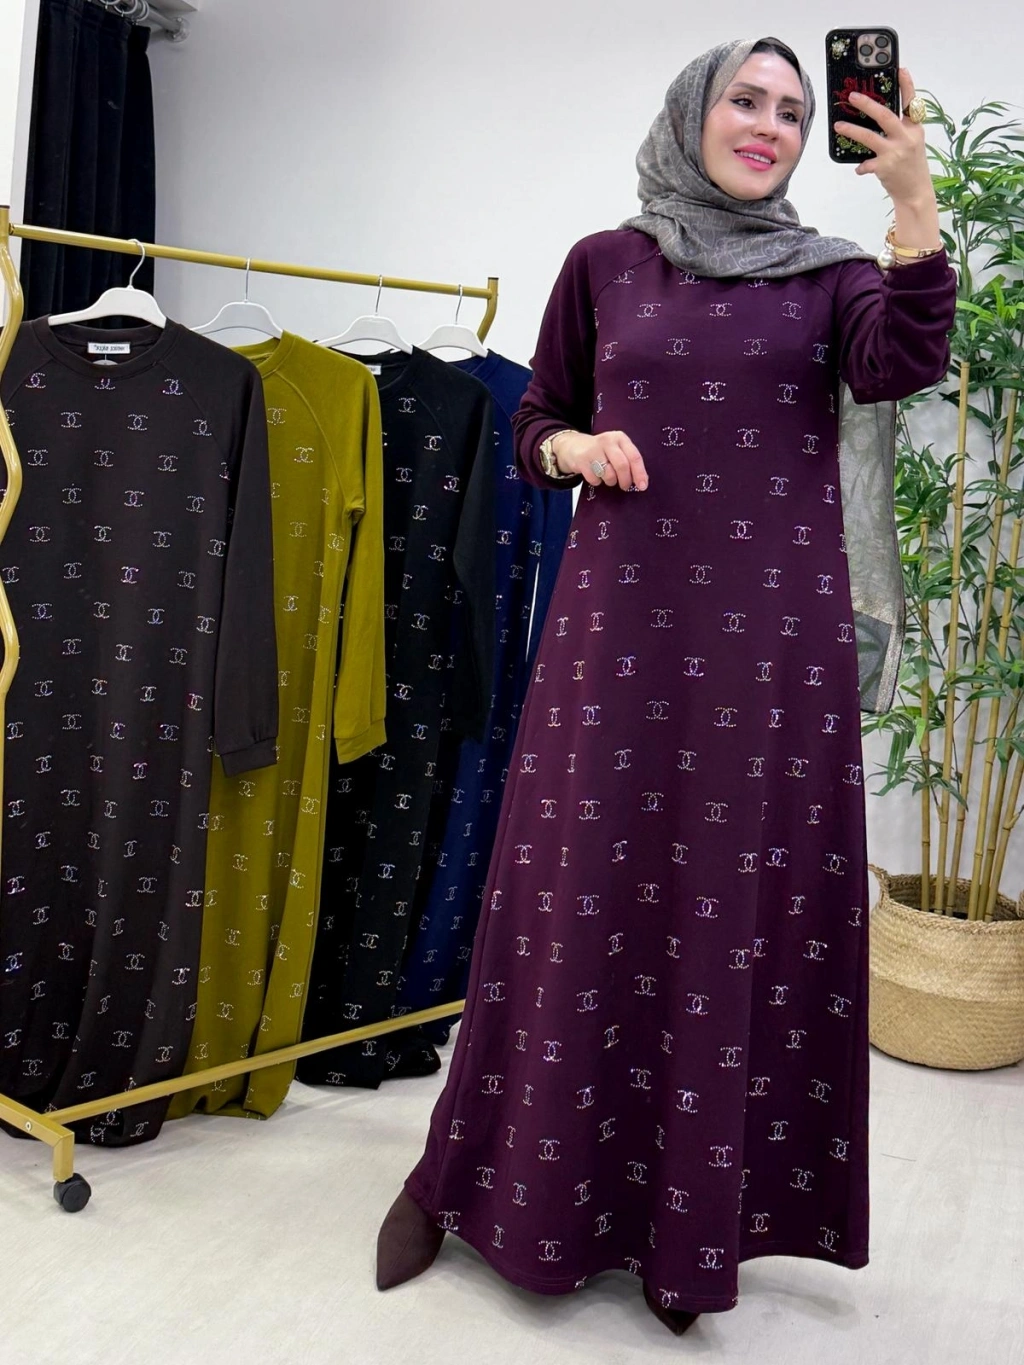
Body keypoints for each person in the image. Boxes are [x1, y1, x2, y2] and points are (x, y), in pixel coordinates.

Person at [375, 35, 956, 1336]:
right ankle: (469, 1180)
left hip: (770, 654)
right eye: (745, 99)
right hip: (620, 637)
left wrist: (913, 196)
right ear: (693, 112)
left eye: (793, 111)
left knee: (724, 908)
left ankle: (686, 1225)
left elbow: (904, 362)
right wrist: (575, 448)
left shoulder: (833, 276)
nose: (769, 125)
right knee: (571, 892)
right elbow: (534, 420)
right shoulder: (606, 263)